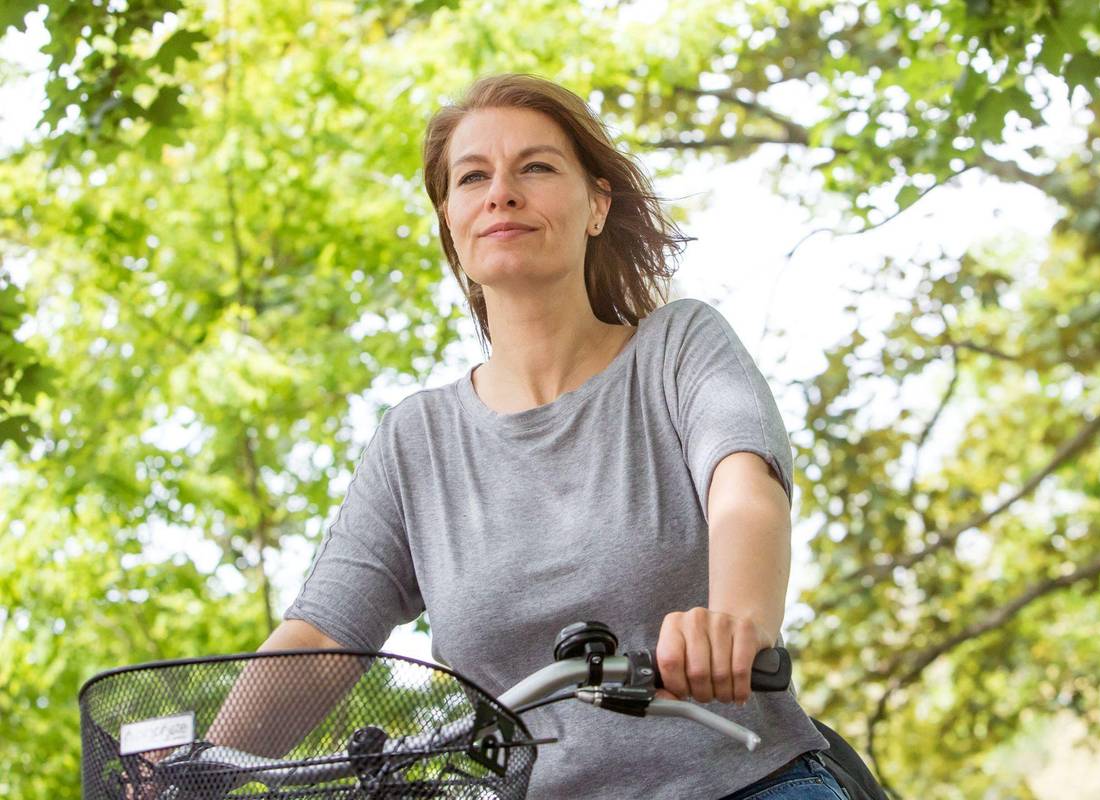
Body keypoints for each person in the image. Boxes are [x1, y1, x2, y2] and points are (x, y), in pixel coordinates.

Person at [267, 73, 849, 799]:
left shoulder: (676, 348)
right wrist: (192, 762)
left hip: (745, 783)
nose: (500, 193)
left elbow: (745, 490)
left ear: (597, 204)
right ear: (450, 218)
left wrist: (735, 622)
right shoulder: (416, 439)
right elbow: (323, 639)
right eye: (472, 177)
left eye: (535, 167)